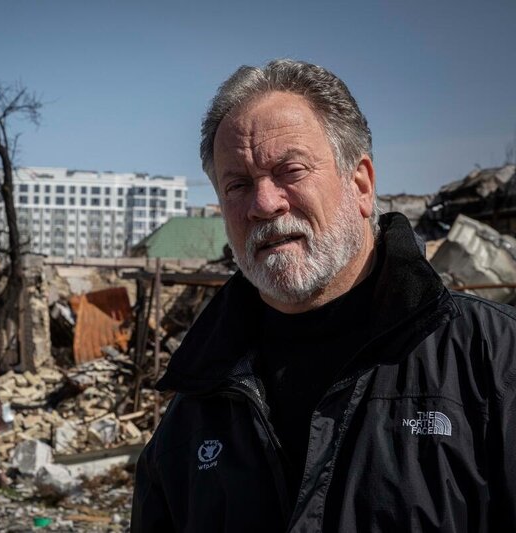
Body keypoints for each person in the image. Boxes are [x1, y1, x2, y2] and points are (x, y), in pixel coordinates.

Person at [131, 59, 516, 532]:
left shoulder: (493, 363)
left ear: (360, 184)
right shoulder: (195, 408)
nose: (264, 204)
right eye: (238, 184)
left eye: (289, 170)